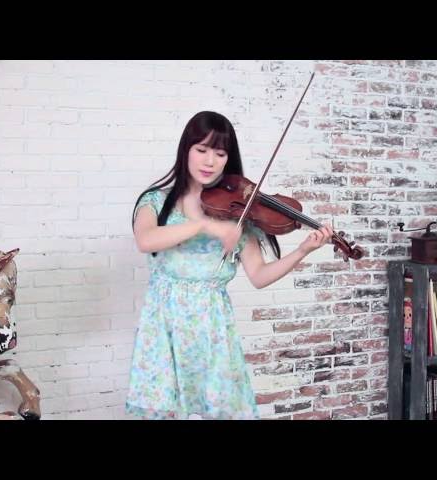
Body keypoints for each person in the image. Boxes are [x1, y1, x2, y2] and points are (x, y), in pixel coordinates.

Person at [125, 111, 334, 419]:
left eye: (220, 154)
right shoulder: (156, 201)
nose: (210, 161)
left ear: (228, 159)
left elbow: (259, 275)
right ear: (186, 150)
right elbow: (146, 240)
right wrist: (204, 225)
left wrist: (302, 250)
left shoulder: (237, 213)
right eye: (202, 149)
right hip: (163, 328)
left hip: (213, 331)